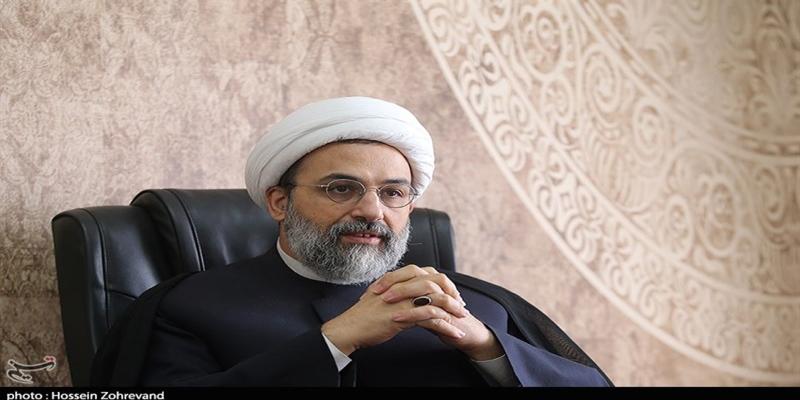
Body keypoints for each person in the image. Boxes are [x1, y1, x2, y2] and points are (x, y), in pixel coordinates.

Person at [93, 97, 611, 387]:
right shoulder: (189, 307)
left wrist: (489, 350)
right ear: (279, 202)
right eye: (342, 188)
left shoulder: (478, 306)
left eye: (393, 193)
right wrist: (334, 341)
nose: (372, 211)